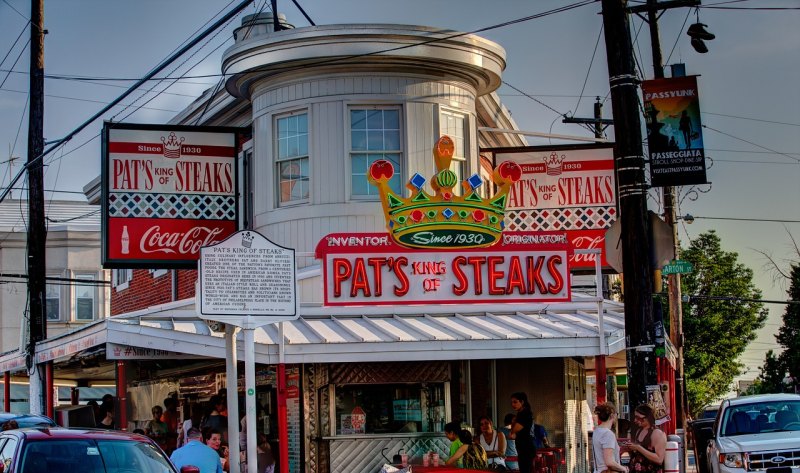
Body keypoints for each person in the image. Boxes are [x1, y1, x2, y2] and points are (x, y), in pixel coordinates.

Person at [628, 404, 667, 473]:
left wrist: (638, 448)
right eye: (635, 417)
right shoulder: (639, 431)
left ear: (647, 417)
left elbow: (659, 459)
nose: (635, 420)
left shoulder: (657, 433)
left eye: (638, 417)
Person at [592, 402, 628, 473]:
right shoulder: (608, 434)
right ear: (612, 415)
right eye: (616, 414)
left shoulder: (597, 431)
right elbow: (609, 462)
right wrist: (623, 468)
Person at [508, 392, 535, 473]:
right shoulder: (521, 413)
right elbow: (512, 436)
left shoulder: (525, 414)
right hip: (523, 448)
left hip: (526, 449)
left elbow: (513, 431)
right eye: (512, 402)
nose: (513, 404)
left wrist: (513, 422)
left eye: (515, 402)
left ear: (522, 402)